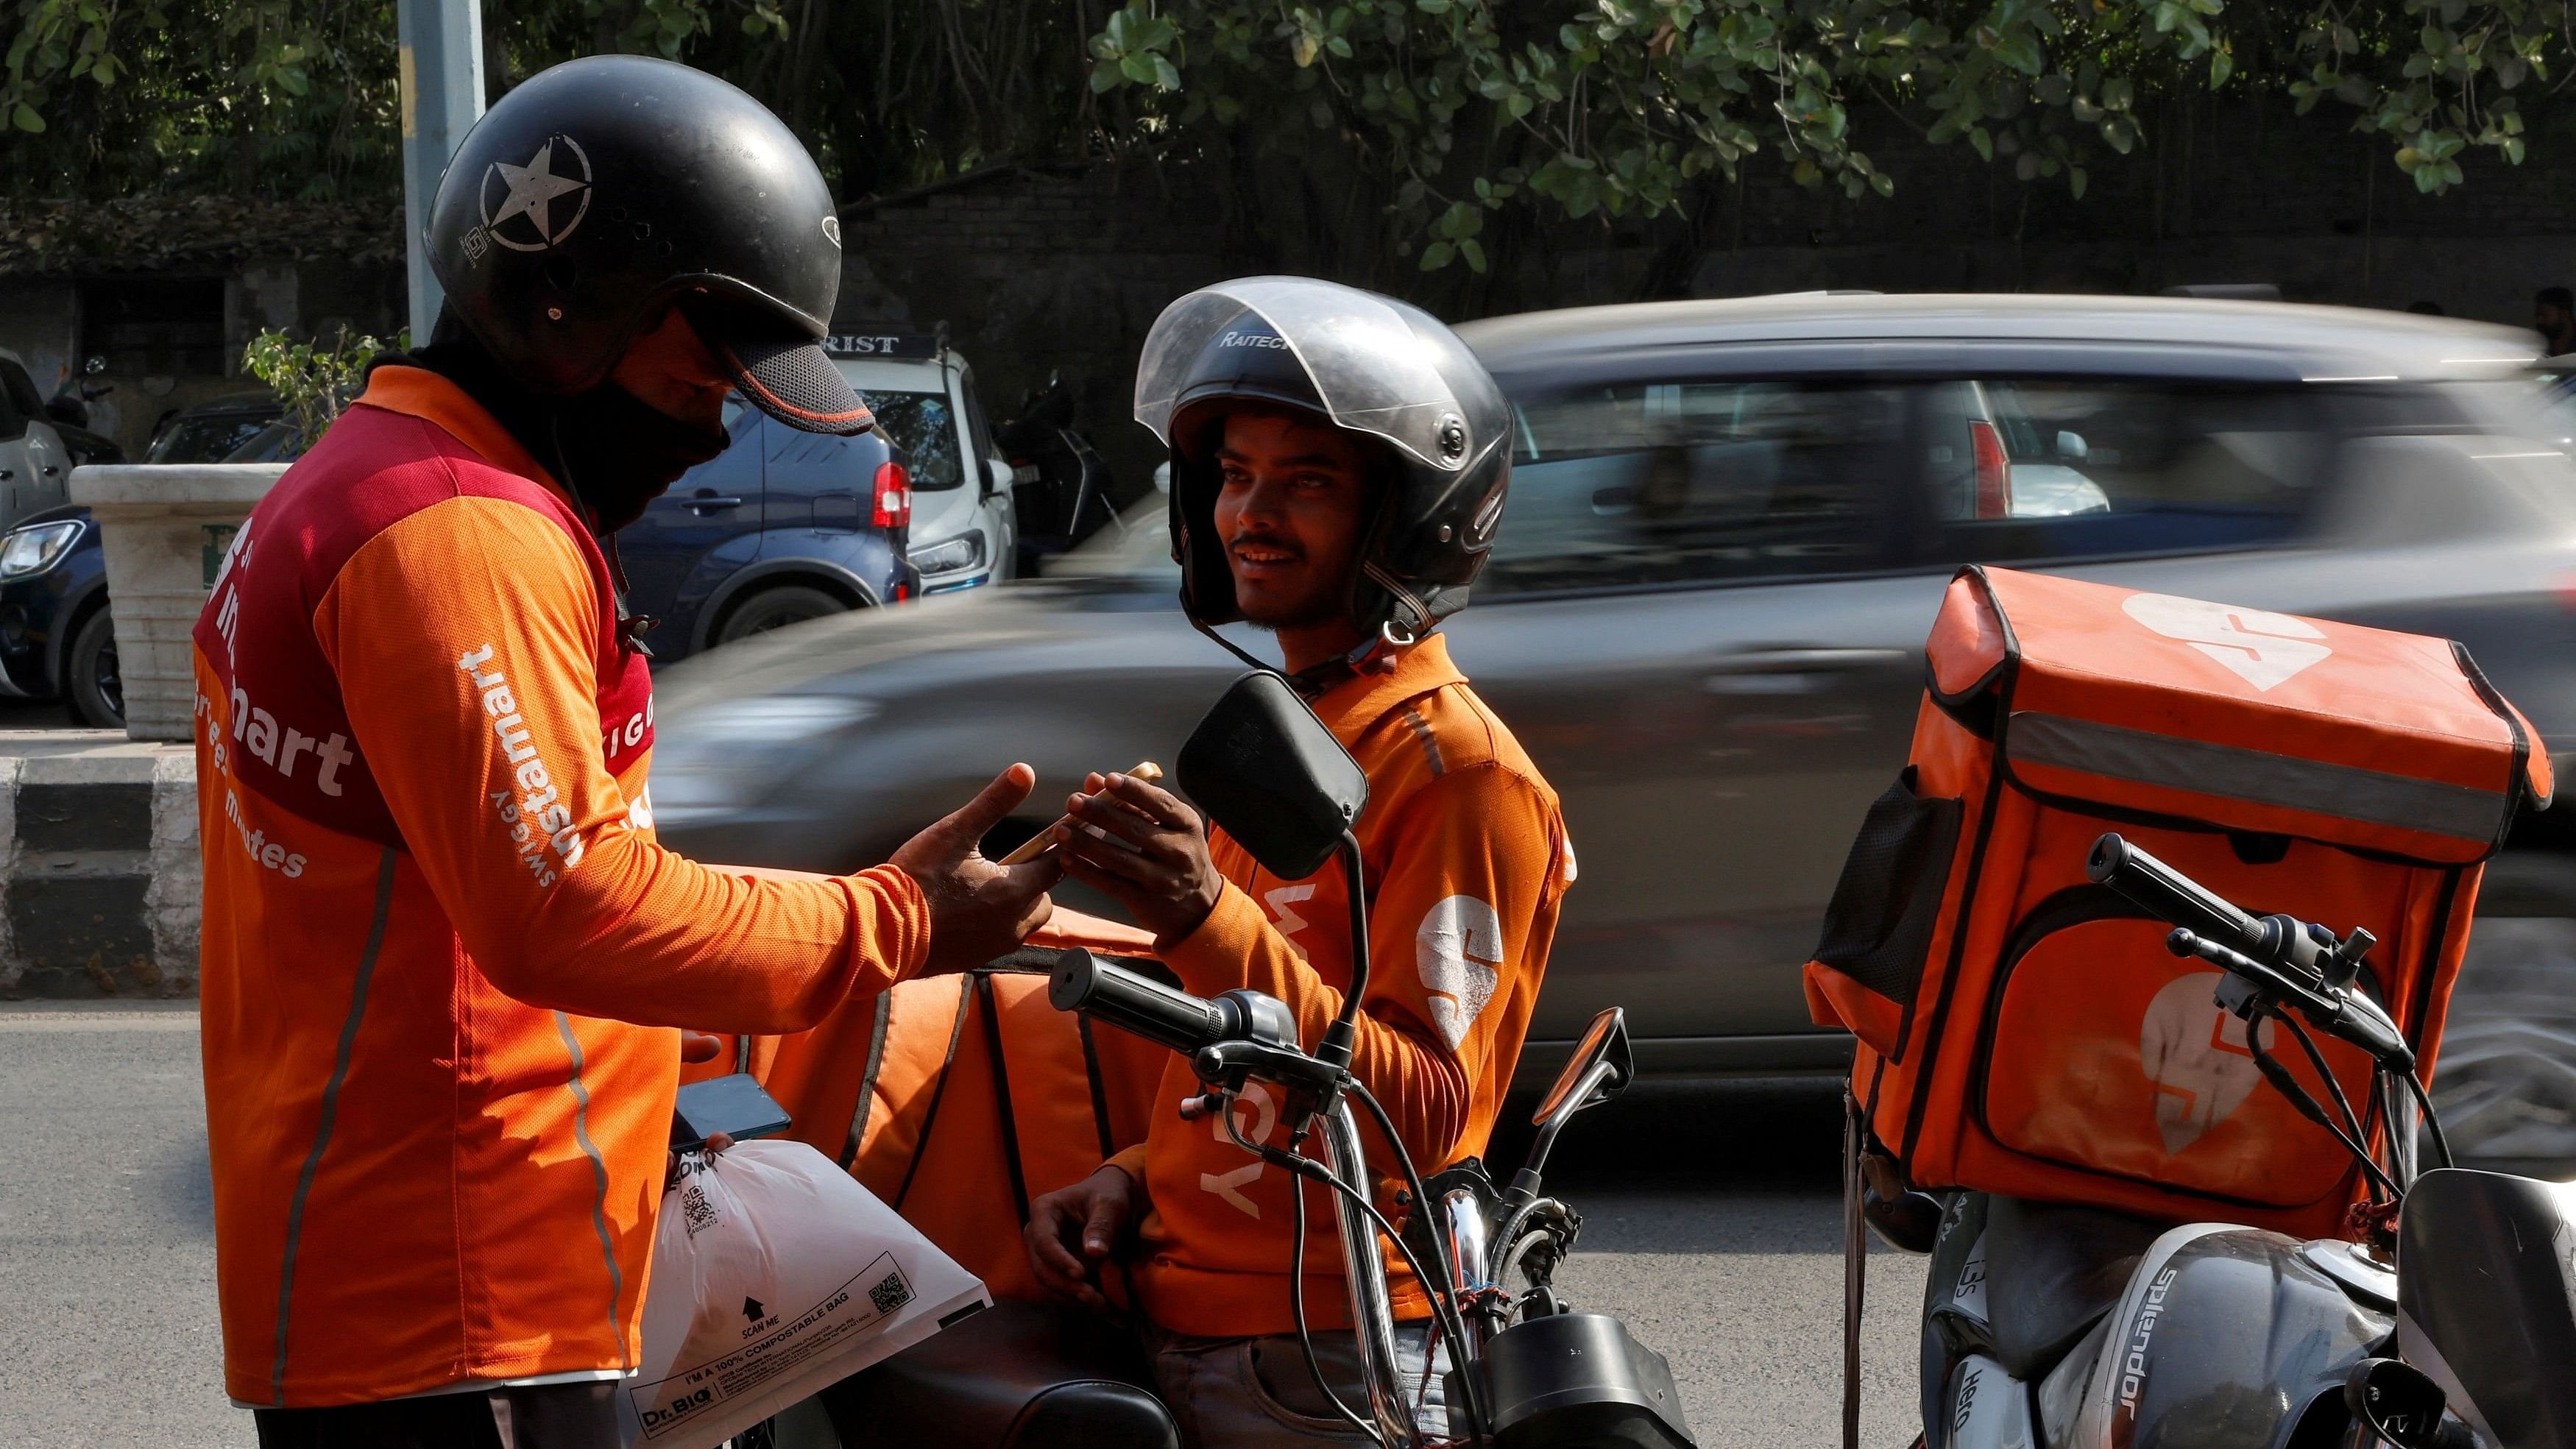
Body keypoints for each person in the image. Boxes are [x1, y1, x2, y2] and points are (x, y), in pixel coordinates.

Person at [193, 56, 1055, 1448]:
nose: (717, 418)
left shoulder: (356, 484)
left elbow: (466, 891)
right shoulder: (457, 534)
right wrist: (892, 918)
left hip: (421, 1269)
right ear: (568, 306)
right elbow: (562, 901)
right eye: (706, 362)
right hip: (468, 1302)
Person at [1019, 278, 1574, 1446]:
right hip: (1186, 1310)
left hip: (1329, 1355)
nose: (1251, 516)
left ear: (1409, 518)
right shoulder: (1298, 732)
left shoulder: (1456, 773)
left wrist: (1203, 909)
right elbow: (1246, 1041)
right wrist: (1135, 1172)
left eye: (1307, 482)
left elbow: (1422, 1112)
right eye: (1232, 476)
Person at [2536, 286, 2576, 355]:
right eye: (2537, 316)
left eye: (2544, 315)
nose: (2539, 321)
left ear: (2564, 314)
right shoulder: (2539, 348)